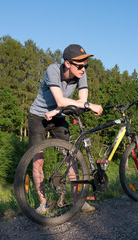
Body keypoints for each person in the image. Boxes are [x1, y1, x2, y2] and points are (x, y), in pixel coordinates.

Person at [28, 44, 103, 214]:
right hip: (38, 116)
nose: (83, 69)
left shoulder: (81, 75)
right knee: (38, 160)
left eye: (86, 65)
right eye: (79, 65)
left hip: (58, 116)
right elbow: (63, 100)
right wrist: (88, 105)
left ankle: (79, 201)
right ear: (67, 63)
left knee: (71, 155)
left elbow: (80, 106)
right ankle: (43, 203)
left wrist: (58, 111)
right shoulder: (53, 70)